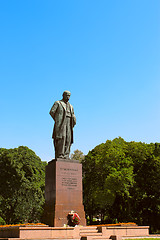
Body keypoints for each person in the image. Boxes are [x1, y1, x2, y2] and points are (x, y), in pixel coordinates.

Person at [49, 91, 76, 159]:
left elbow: (73, 114)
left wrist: (74, 119)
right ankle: (60, 154)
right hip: (61, 123)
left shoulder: (71, 106)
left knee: (68, 138)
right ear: (63, 95)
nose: (68, 97)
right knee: (62, 138)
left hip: (69, 122)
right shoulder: (58, 103)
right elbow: (52, 112)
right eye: (67, 95)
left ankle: (66, 155)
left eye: (69, 96)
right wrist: (58, 120)